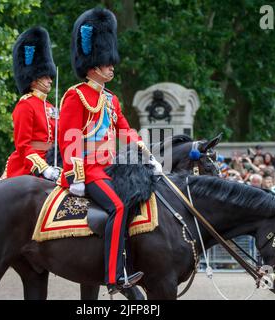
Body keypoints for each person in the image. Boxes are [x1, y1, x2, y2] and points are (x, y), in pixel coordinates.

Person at [58, 8, 163, 295]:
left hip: (108, 168)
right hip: (88, 170)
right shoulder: (76, 95)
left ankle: (128, 262)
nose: (112, 68)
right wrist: (75, 173)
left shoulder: (111, 100)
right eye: (107, 63)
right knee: (117, 206)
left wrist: (148, 156)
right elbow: (68, 139)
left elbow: (126, 131)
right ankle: (114, 275)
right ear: (93, 65)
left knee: (134, 202)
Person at [0, 27, 60, 181]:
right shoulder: (26, 105)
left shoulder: (51, 107)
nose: (50, 80)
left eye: (50, 76)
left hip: (53, 163)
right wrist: (43, 168)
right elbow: (23, 145)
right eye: (45, 76)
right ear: (33, 77)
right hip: (27, 167)